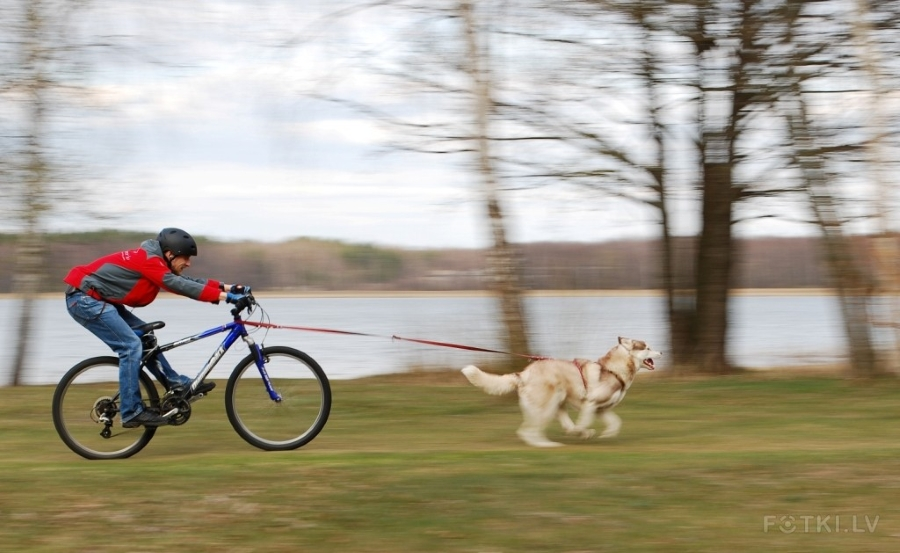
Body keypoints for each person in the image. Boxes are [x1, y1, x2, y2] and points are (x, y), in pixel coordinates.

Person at [64, 227, 249, 428]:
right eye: (185, 257)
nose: (189, 262)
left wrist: (229, 288)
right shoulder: (149, 261)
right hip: (83, 299)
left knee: (145, 337)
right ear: (170, 254)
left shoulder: (157, 261)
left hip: (97, 299)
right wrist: (226, 297)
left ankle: (175, 383)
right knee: (130, 346)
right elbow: (178, 285)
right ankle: (131, 412)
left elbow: (185, 281)